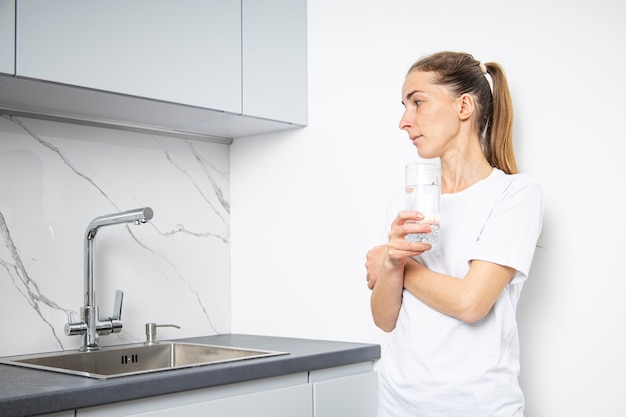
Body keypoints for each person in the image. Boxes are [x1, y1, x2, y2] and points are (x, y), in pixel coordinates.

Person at [365, 51, 543, 417]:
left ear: (463, 106)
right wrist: (391, 264)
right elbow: (385, 320)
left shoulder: (515, 194)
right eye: (404, 105)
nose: (404, 121)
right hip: (398, 404)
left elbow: (471, 303)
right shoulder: (404, 200)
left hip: (477, 406)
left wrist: (396, 264)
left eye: (417, 102)